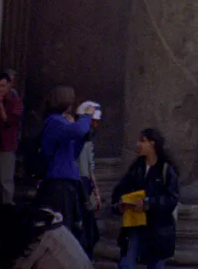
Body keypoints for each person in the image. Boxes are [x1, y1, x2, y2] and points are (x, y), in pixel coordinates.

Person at [112, 128, 180, 269]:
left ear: (152, 144)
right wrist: (120, 204)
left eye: (142, 141)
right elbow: (120, 189)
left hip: (158, 229)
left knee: (155, 264)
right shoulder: (137, 168)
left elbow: (171, 199)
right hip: (135, 225)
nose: (138, 144)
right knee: (126, 263)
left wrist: (148, 203)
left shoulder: (166, 170)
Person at [35, 87, 93, 249]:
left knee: (72, 229)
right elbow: (78, 129)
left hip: (68, 182)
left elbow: (72, 153)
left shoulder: (60, 123)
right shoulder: (54, 122)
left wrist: (83, 138)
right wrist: (86, 115)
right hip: (58, 183)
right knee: (62, 230)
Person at [75, 104, 102, 255]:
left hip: (85, 183)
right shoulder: (78, 139)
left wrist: (96, 190)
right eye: (93, 121)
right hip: (77, 182)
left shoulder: (89, 141)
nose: (95, 125)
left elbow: (91, 166)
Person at [0, 73, 24, 210]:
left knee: (6, 180)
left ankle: (7, 207)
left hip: (6, 144)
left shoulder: (14, 101)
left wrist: (0, 104)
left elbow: (8, 121)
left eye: (3, 86)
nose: (0, 89)